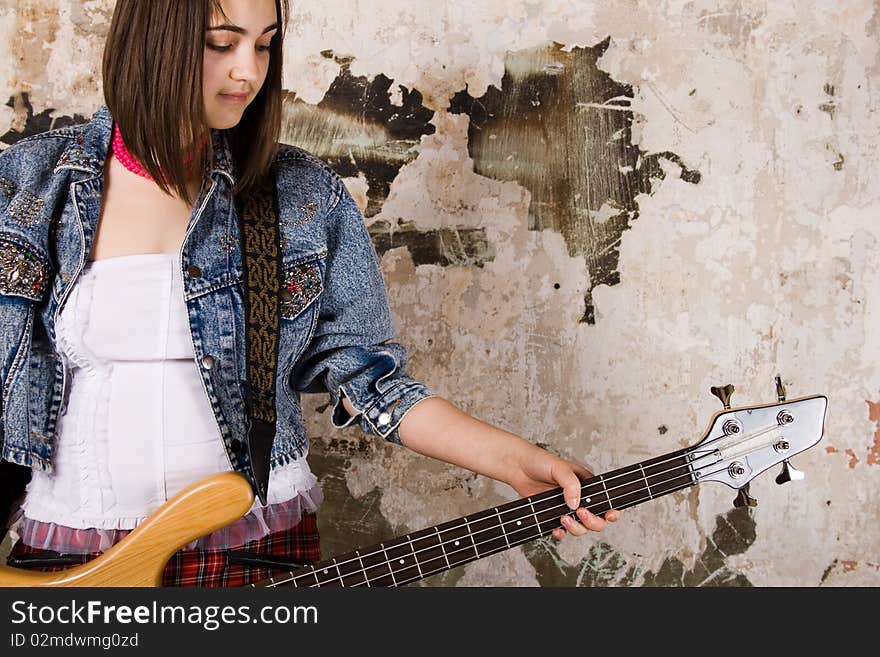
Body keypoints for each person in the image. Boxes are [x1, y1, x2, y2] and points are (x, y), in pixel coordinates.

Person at [0, 0, 619, 587]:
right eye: (221, 43)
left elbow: (370, 379)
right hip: (67, 553)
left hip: (251, 549)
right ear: (149, 43)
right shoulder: (25, 183)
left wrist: (515, 461)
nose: (250, 71)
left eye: (265, 45)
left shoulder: (296, 194)